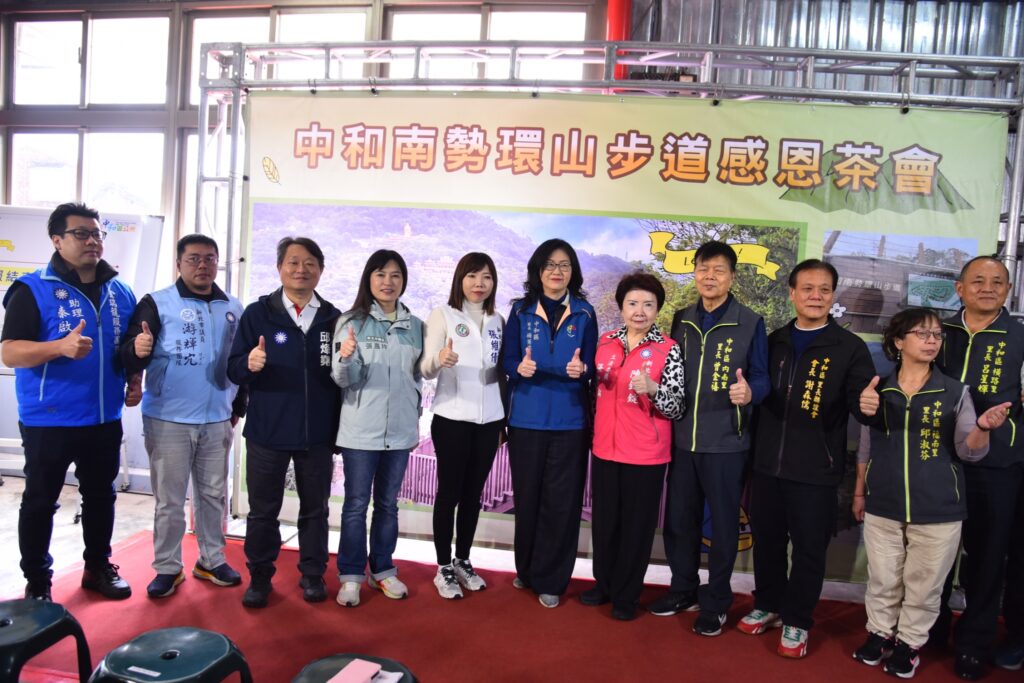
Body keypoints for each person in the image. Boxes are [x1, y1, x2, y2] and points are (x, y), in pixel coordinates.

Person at [852, 307, 1010, 679]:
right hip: (883, 503)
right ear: (898, 341)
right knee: (883, 578)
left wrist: (983, 427)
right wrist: (859, 492)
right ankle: (879, 633)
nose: (931, 341)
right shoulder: (878, 389)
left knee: (924, 585)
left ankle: (909, 644)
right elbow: (865, 447)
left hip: (939, 508)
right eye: (922, 333)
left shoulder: (955, 392)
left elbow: (970, 452)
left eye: (937, 335)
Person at [1, 201, 139, 601]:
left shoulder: (119, 291)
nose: (92, 241)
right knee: (41, 501)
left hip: (103, 416)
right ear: (57, 240)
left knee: (101, 496)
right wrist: (58, 347)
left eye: (97, 234)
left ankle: (97, 567)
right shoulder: (32, 289)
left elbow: (127, 347)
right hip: (50, 419)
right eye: (81, 234)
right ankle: (38, 582)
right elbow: (9, 352)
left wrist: (135, 378)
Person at [738, 259, 875, 656]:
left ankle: (797, 620)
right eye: (808, 289)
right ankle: (768, 604)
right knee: (768, 542)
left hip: (816, 469)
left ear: (833, 296)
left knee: (809, 549)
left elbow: (861, 404)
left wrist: (868, 406)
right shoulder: (774, 340)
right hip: (767, 465)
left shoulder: (848, 348)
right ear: (792, 293)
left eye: (824, 290)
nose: (816, 296)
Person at [651, 239, 770, 635]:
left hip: (727, 442)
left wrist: (750, 393)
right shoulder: (682, 318)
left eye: (719, 270)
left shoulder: (749, 322)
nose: (709, 276)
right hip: (683, 439)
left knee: (722, 526)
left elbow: (762, 378)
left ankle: (717, 601)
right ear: (695, 273)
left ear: (732, 277)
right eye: (703, 269)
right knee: (679, 521)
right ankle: (683, 589)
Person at [121, 234, 246, 598]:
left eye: (210, 258)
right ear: (179, 263)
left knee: (213, 496)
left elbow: (241, 362)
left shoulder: (233, 307)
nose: (202, 265)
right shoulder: (157, 303)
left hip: (217, 419)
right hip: (168, 419)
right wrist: (137, 349)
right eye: (193, 259)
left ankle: (212, 560)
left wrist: (237, 408)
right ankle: (167, 567)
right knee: (170, 500)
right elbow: (128, 352)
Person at [227, 237, 340, 608]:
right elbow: (233, 368)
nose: (301, 270)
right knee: (263, 512)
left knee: (316, 511)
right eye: (293, 262)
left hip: (316, 433)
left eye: (309, 263)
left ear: (320, 270)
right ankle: (260, 577)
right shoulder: (258, 314)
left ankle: (313, 574)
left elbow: (341, 378)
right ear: (279, 268)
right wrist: (249, 364)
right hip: (267, 431)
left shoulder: (333, 318)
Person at [934, 255, 1024, 679]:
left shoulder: (1019, 337)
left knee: (988, 557)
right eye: (978, 281)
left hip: (998, 464)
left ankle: (973, 643)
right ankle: (929, 630)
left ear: (1008, 290)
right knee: (935, 552)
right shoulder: (938, 333)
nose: (988, 288)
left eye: (997, 282)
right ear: (960, 288)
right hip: (939, 461)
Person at [500, 238, 598, 609]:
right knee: (527, 498)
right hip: (526, 419)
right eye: (550, 265)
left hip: (570, 421)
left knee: (563, 503)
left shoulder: (585, 312)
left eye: (564, 265)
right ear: (538, 271)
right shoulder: (520, 310)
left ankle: (553, 579)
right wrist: (518, 368)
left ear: (573, 272)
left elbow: (592, 364)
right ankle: (526, 569)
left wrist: (582, 369)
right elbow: (508, 359)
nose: (557, 272)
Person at [581, 272, 685, 620]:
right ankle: (604, 585)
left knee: (636, 529)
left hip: (645, 455)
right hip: (605, 449)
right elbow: (591, 393)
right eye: (633, 303)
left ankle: (626, 596)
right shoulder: (605, 342)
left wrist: (653, 390)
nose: (639, 311)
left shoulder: (668, 348)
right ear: (621, 307)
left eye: (648, 304)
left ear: (658, 309)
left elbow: (677, 406)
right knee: (605, 523)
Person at [333, 249, 423, 608]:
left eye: (395, 275)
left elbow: (418, 376)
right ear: (369, 278)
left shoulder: (415, 326)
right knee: (356, 505)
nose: (388, 282)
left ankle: (383, 570)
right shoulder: (351, 321)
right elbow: (343, 379)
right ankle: (351, 575)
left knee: (388, 505)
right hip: (360, 431)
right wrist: (346, 356)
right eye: (381, 274)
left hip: (400, 432)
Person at [420, 252, 505, 600]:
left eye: (486, 277)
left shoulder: (498, 319)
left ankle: (463, 560)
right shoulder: (443, 315)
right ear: (460, 279)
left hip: (489, 420)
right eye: (472, 276)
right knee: (449, 493)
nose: (479, 284)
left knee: (473, 495)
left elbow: (500, 370)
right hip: (452, 418)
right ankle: (443, 566)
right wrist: (439, 359)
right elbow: (424, 367)